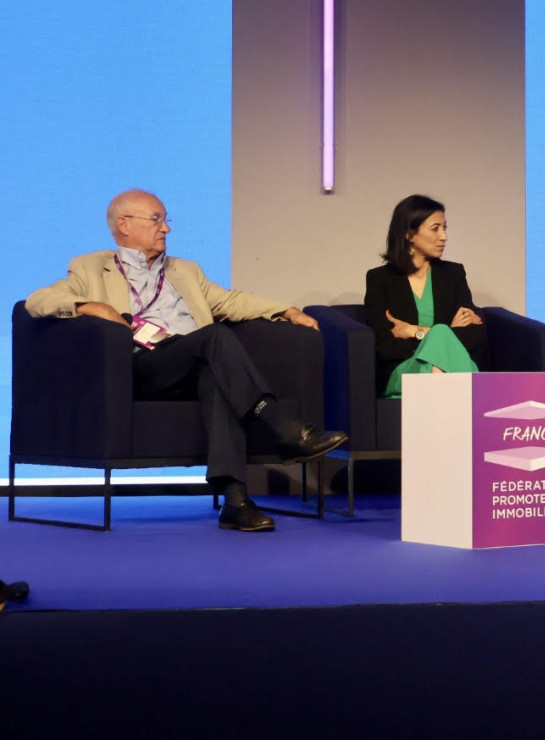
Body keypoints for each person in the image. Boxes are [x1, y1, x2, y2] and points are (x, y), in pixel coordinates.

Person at [25, 189, 349, 532]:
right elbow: (38, 301)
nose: (165, 229)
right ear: (124, 225)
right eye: (156, 219)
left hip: (192, 363)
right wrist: (92, 306)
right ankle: (285, 427)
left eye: (166, 220)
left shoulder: (185, 270)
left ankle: (236, 501)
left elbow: (231, 301)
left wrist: (286, 310)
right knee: (214, 337)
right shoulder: (91, 267)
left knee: (215, 375)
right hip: (141, 366)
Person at [365, 195, 488, 398]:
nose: (444, 236)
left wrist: (416, 331)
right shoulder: (380, 279)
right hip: (405, 369)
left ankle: (436, 398)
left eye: (444, 228)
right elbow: (384, 345)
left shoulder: (453, 274)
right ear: (409, 233)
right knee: (441, 336)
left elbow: (475, 335)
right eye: (435, 228)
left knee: (440, 334)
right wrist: (439, 343)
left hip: (451, 365)